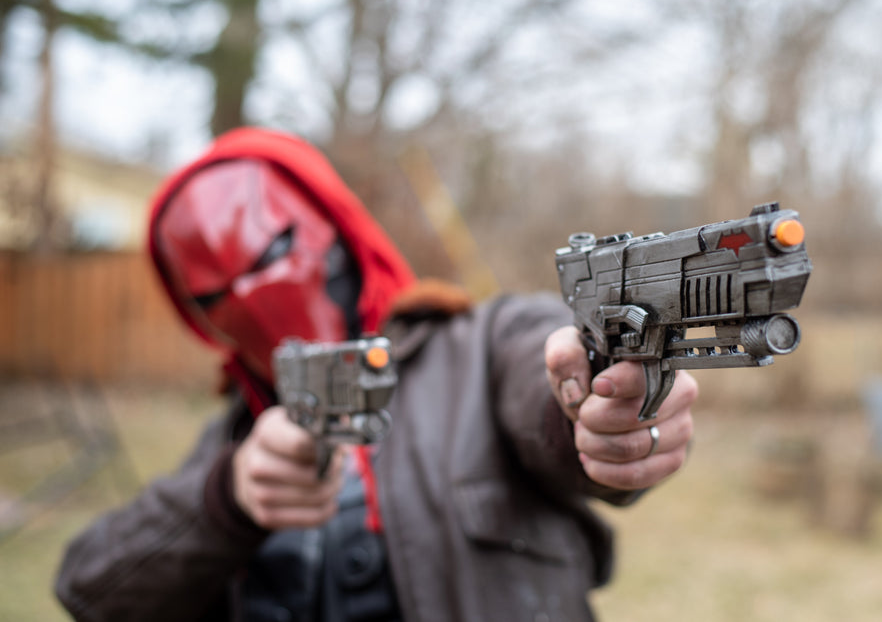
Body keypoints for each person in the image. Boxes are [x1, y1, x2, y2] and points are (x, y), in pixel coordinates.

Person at [53, 127, 698, 622]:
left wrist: (591, 401)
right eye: (215, 293)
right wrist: (230, 499)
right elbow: (91, 587)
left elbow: (542, 379)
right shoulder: (236, 442)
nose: (254, 292)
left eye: (272, 253)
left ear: (334, 229)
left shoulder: (475, 348)